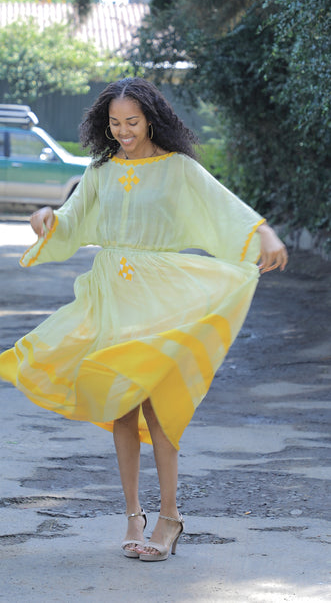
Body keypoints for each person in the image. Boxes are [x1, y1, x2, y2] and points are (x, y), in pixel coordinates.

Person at [0, 77, 287, 562]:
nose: (123, 131)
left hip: (161, 295)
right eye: (114, 123)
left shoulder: (178, 169)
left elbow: (224, 206)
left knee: (158, 407)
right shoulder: (101, 170)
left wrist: (267, 234)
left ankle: (170, 517)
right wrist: (49, 216)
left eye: (131, 122)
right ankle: (134, 514)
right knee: (122, 406)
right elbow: (72, 221)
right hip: (112, 296)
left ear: (150, 118)